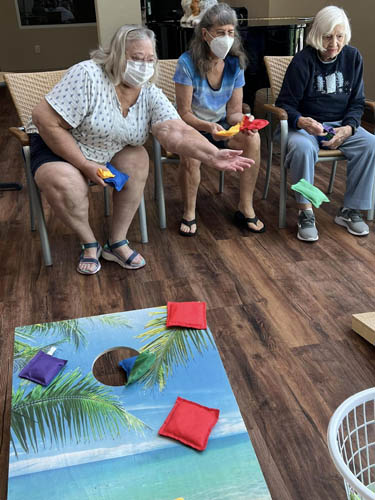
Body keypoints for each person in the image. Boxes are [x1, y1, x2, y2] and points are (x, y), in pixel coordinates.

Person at [29, 25, 254, 275]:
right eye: (136, 58)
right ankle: (89, 242)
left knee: (137, 158)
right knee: (66, 182)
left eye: (149, 59)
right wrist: (84, 164)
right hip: (61, 146)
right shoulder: (88, 75)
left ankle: (116, 241)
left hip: (107, 146)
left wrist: (212, 154)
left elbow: (175, 130)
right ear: (116, 54)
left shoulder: (149, 93)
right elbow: (44, 120)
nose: (143, 65)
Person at [275, 5, 375, 242]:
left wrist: (349, 127)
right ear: (317, 35)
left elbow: (357, 102)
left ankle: (350, 210)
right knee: (302, 148)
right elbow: (284, 104)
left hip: (340, 124)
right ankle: (305, 211)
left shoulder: (353, 58)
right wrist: (301, 120)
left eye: (339, 37)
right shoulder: (303, 62)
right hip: (306, 127)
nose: (334, 43)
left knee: (370, 144)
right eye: (328, 36)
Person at [173, 3, 264, 236]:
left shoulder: (235, 63)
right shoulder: (186, 63)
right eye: (221, 32)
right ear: (206, 34)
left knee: (253, 139)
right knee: (192, 156)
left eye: (231, 32)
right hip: (193, 125)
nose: (227, 38)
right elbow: (184, 113)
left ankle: (245, 206)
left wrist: (244, 120)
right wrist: (207, 126)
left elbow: (233, 110)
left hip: (221, 126)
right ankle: (189, 211)